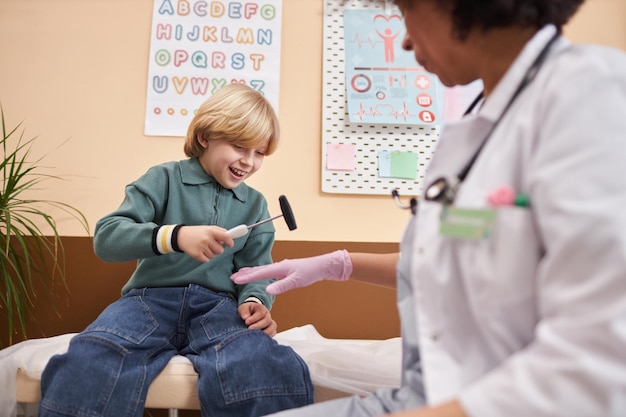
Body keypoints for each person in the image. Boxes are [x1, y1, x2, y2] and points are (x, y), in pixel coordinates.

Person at [231, 1, 626, 416]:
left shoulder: (590, 91)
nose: (403, 39)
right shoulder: (480, 126)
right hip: (421, 395)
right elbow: (462, 254)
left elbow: (598, 362)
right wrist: (336, 264)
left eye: (408, 9)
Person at [38, 83, 313, 417]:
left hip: (220, 309)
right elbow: (107, 239)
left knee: (260, 362)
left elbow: (255, 270)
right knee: (92, 356)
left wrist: (255, 300)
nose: (249, 162)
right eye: (240, 146)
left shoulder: (255, 205)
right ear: (204, 138)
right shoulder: (163, 179)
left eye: (259, 153)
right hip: (148, 302)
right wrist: (176, 236)